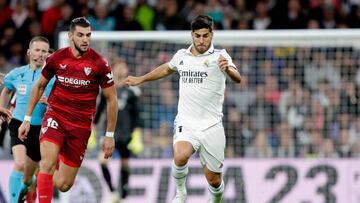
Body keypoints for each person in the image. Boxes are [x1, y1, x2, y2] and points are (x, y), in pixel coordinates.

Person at [125, 15, 241, 203]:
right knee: (180, 156)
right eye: (198, 36)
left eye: (205, 36)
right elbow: (166, 69)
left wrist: (228, 69)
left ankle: (216, 200)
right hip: (186, 122)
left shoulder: (221, 56)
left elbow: (238, 78)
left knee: (214, 180)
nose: (201, 40)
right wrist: (141, 79)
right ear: (192, 35)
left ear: (212, 35)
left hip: (212, 126)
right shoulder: (181, 55)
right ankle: (180, 193)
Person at [18, 17, 118, 203]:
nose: (85, 39)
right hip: (55, 116)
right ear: (71, 36)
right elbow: (39, 86)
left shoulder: (99, 64)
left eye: (88, 35)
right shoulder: (57, 58)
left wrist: (110, 134)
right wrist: (27, 119)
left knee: (64, 184)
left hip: (80, 127)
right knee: (47, 162)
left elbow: (112, 99)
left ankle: (38, 179)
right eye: (80, 35)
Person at [0, 36, 54, 203]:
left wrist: (50, 102)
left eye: (44, 51)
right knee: (20, 163)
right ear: (29, 52)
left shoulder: (54, 77)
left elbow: (63, 100)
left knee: (29, 178)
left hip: (41, 129)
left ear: (48, 54)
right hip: (18, 124)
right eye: (37, 50)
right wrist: (1, 109)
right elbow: (7, 90)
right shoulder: (17, 73)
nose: (40, 54)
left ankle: (24, 190)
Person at [94, 58, 143, 201]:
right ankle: (112, 190)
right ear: (113, 70)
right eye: (118, 67)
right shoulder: (107, 89)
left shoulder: (133, 92)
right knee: (102, 161)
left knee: (125, 163)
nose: (121, 70)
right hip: (109, 133)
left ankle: (124, 194)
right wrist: (93, 126)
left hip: (126, 133)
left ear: (127, 70)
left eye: (124, 67)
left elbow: (137, 114)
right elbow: (100, 109)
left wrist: (137, 133)